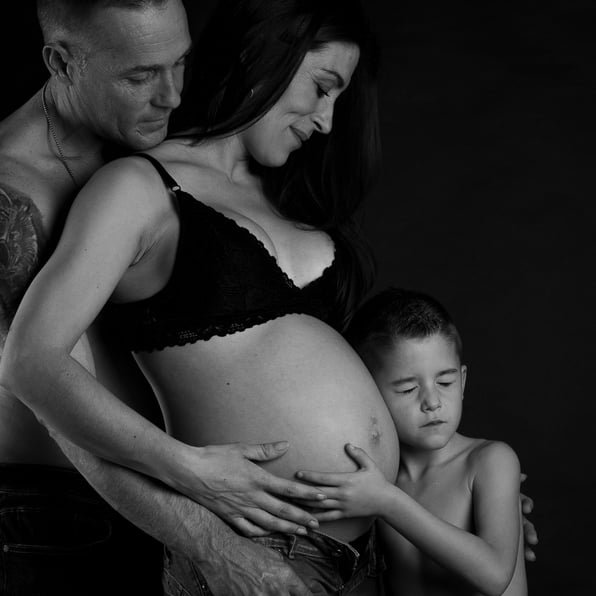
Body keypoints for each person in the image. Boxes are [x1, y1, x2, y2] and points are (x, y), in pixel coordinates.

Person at [1, 0, 405, 593]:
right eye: (140, 75)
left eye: (182, 63)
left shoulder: (142, 146)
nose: (170, 95)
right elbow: (43, 388)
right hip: (62, 514)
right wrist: (206, 527)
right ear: (60, 62)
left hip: (183, 503)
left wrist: (447, 484)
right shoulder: (13, 194)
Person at [297, 287, 528, 595]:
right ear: (368, 393)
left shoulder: (489, 460)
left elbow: (495, 575)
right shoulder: (376, 481)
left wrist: (386, 502)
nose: (432, 401)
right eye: (407, 389)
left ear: (463, 382)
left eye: (445, 382)